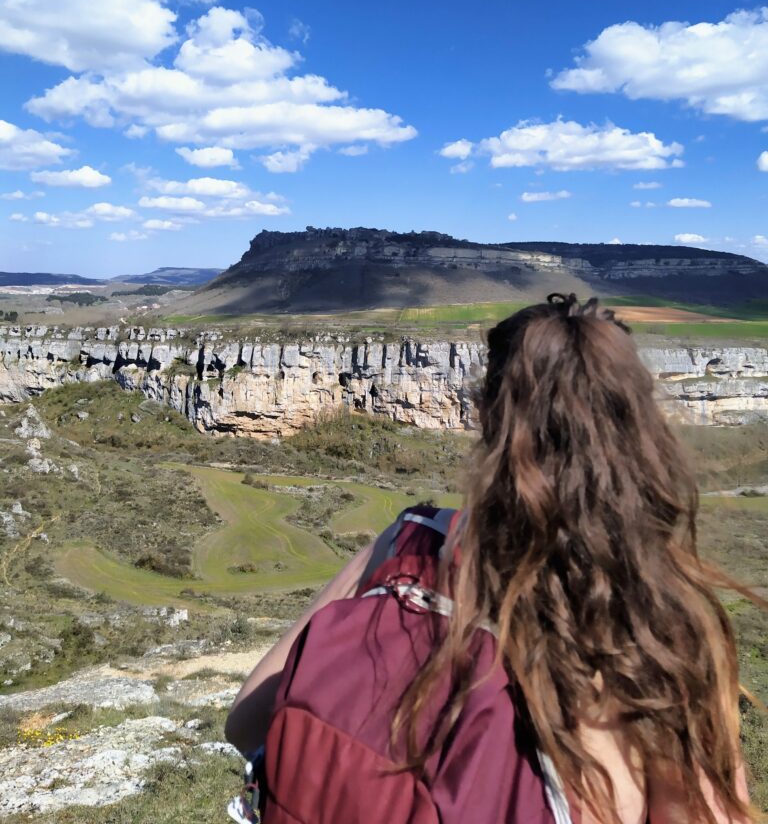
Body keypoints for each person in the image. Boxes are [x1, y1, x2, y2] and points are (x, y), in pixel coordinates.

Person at [226, 294, 762, 823]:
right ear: (641, 429)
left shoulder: (405, 543)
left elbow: (247, 725)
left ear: (485, 416)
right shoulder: (660, 627)